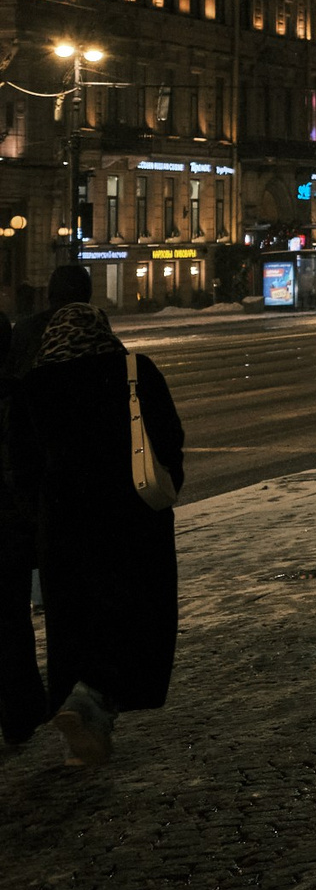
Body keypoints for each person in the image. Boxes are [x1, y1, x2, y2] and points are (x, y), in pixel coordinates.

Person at [4, 299, 185, 767]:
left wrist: (39, 519)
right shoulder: (134, 370)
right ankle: (93, 704)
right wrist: (168, 486)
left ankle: (82, 720)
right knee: (131, 614)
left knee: (75, 622)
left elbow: (23, 468)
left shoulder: (35, 386)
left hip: (64, 525)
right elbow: (167, 435)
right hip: (131, 519)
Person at [0, 265, 86, 750]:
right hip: (30, 524)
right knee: (59, 612)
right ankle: (55, 705)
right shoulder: (23, 397)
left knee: (9, 622)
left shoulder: (21, 390)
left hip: (19, 524)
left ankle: (22, 709)